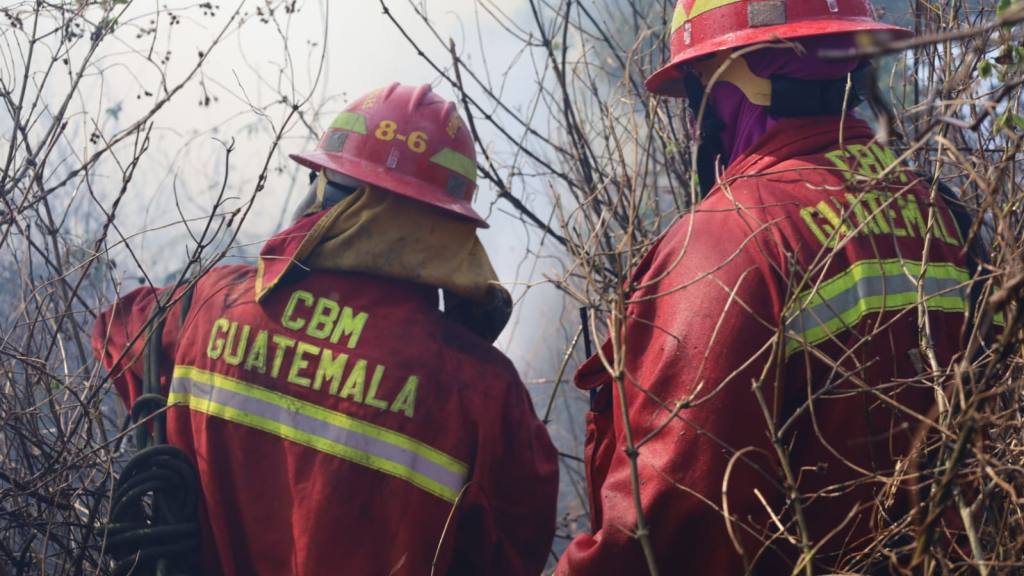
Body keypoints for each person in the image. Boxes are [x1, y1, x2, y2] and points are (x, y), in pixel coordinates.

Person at [556, 1, 979, 574]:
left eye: (696, 86)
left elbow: (667, 522)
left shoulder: (724, 240)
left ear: (736, 80)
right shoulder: (943, 210)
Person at [93, 83, 558, 576]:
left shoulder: (205, 306)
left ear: (328, 191)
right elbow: (515, 549)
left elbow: (115, 333)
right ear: (448, 231)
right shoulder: (483, 390)